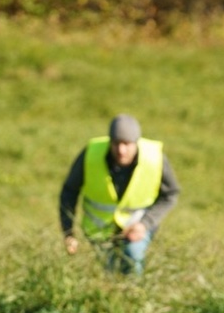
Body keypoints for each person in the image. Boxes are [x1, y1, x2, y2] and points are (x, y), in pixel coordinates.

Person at [59, 113, 181, 275]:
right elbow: (69, 192)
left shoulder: (154, 158)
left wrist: (145, 224)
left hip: (137, 225)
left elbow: (171, 194)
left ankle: (135, 289)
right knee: (108, 270)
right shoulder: (91, 154)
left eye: (127, 144)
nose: (121, 150)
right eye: (116, 143)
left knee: (132, 257)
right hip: (99, 229)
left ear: (136, 142)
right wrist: (68, 232)